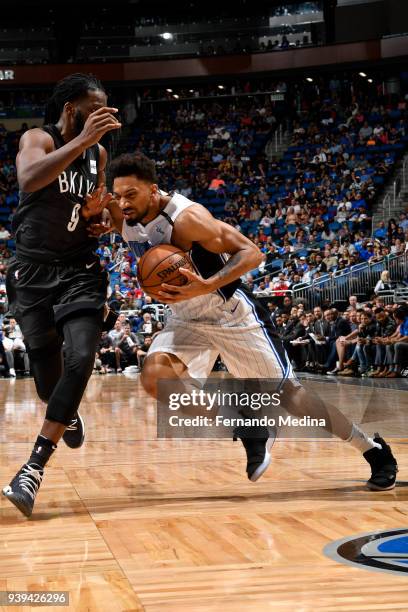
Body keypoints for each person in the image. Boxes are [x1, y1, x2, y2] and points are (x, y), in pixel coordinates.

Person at [101, 152, 397, 491]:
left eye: (131, 194)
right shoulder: (118, 212)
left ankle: (372, 450)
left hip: (228, 312)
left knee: (292, 397)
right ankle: (247, 427)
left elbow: (252, 252)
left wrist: (208, 283)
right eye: (118, 194)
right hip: (185, 316)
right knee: (157, 378)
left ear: (153, 190)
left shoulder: (187, 218)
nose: (123, 202)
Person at [2, 73, 121, 517]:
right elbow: (30, 179)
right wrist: (81, 141)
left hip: (79, 269)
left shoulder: (99, 153)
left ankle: (33, 468)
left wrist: (99, 219)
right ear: (72, 109)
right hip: (31, 271)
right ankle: (65, 412)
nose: (105, 113)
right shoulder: (40, 138)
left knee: (82, 357)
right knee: (47, 384)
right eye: (96, 106)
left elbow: (96, 207)